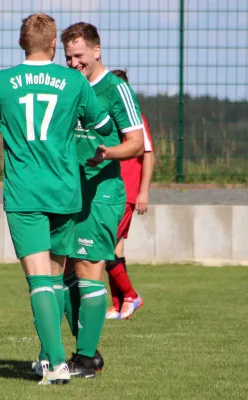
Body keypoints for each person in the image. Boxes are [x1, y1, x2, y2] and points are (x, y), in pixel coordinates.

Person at [0, 13, 113, 385]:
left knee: (39, 282)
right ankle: (52, 360)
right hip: (65, 193)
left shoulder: (1, 81)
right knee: (52, 279)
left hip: (25, 193)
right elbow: (103, 126)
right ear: (54, 45)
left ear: (21, 43)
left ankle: (55, 363)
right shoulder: (73, 81)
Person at [59, 22, 144, 378]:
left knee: (88, 269)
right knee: (60, 275)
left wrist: (106, 153)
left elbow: (137, 142)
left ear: (96, 50)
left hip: (103, 195)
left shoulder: (115, 88)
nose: (73, 62)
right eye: (67, 57)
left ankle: (85, 358)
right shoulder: (69, 87)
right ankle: (86, 349)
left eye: (79, 55)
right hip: (68, 192)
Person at [105, 69, 155, 320]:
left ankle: (131, 295)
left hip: (125, 192)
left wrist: (143, 191)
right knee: (115, 247)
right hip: (110, 190)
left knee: (103, 246)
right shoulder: (109, 118)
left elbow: (148, 153)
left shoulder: (135, 119)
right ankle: (118, 304)